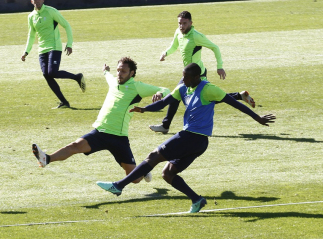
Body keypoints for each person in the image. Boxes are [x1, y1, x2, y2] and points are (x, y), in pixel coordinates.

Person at [97, 63, 275, 213]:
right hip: (196, 141)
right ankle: (197, 200)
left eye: (187, 77)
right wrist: (143, 109)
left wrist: (257, 118)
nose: (184, 80)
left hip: (193, 137)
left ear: (197, 77)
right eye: (183, 76)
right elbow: (164, 102)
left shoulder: (209, 89)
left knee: (154, 156)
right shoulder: (184, 87)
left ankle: (119, 186)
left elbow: (235, 103)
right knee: (168, 173)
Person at [32, 57, 170, 183]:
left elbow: (166, 89)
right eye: (118, 70)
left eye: (123, 71)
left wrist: (159, 93)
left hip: (118, 137)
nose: (119, 74)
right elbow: (109, 77)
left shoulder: (137, 87)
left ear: (132, 73)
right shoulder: (114, 81)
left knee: (135, 179)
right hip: (100, 132)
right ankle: (47, 159)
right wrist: (106, 71)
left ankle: (143, 171)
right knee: (74, 146)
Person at [150, 10, 255, 134]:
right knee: (178, 96)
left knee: (204, 98)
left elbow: (214, 47)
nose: (181, 26)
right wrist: (165, 53)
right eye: (179, 23)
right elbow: (174, 46)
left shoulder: (196, 36)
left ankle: (165, 125)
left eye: (184, 23)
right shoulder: (178, 32)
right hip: (188, 74)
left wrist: (219, 66)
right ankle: (165, 125)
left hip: (197, 75)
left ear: (191, 23)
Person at [21, 0, 86, 109]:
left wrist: (69, 44)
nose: (37, 1)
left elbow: (66, 25)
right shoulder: (31, 16)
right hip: (42, 50)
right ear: (31, 1)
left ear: (43, 0)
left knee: (52, 72)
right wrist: (26, 52)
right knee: (46, 74)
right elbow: (31, 35)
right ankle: (64, 102)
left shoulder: (51, 11)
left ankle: (77, 77)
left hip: (54, 47)